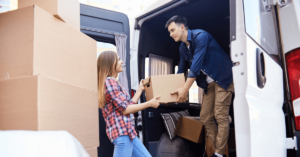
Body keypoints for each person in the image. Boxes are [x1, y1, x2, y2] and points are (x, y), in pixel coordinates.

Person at [166, 16, 234, 157]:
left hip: (223, 77)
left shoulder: (200, 36)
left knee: (220, 115)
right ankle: (219, 151)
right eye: (169, 32)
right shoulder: (182, 48)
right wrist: (171, 91)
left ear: (182, 27)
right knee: (205, 117)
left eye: (173, 30)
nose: (171, 34)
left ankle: (219, 154)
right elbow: (181, 71)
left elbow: (195, 67)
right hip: (209, 83)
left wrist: (185, 89)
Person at [97, 51, 161, 157]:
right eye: (118, 59)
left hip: (129, 133)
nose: (121, 62)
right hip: (122, 134)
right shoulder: (109, 82)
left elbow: (128, 104)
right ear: (110, 63)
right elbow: (125, 109)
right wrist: (149, 104)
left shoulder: (113, 82)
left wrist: (140, 90)